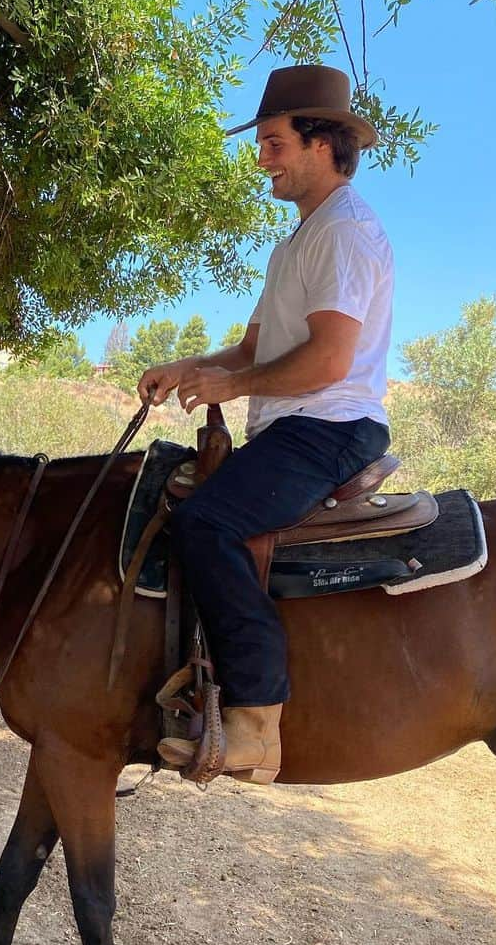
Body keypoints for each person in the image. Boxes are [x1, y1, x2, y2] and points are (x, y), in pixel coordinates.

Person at [137, 64, 394, 784]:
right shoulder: (295, 244)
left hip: (331, 425)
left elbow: (329, 359)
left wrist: (236, 384)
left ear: (322, 143)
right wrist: (188, 368)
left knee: (207, 524)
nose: (262, 159)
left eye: (275, 142)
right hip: (297, 425)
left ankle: (253, 723)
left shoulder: (344, 232)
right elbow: (253, 352)